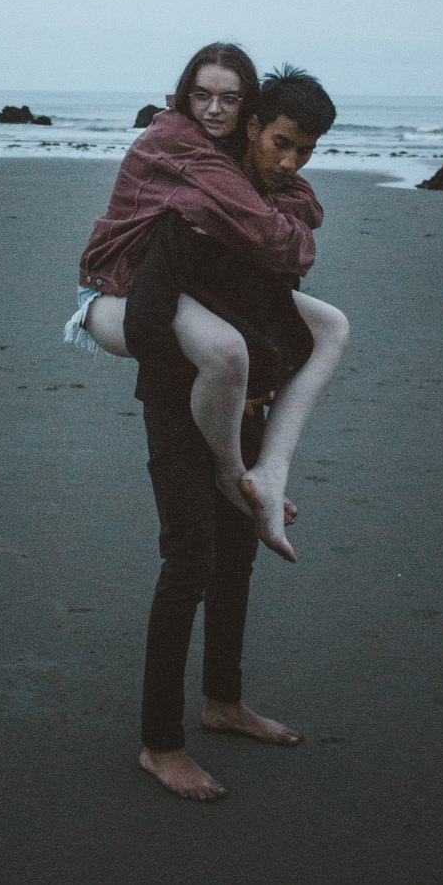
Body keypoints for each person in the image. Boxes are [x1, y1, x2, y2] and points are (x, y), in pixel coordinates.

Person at [68, 52, 349, 799]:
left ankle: (223, 702)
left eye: (302, 151)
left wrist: (254, 396)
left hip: (240, 402)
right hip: (179, 403)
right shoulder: (192, 201)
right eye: (279, 143)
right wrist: (202, 404)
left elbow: (273, 306)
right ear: (251, 126)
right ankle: (160, 745)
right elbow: (154, 324)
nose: (288, 161)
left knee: (236, 557)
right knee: (188, 563)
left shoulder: (269, 201)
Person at [68, 43, 326, 553]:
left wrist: (288, 220)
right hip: (112, 292)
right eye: (202, 95)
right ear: (185, 95)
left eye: (229, 99)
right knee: (225, 351)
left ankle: (272, 471)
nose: (213, 109)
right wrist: (295, 236)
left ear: (247, 110)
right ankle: (234, 476)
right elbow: (267, 230)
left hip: (167, 287)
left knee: (333, 327)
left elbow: (301, 200)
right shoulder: (177, 139)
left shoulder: (230, 149)